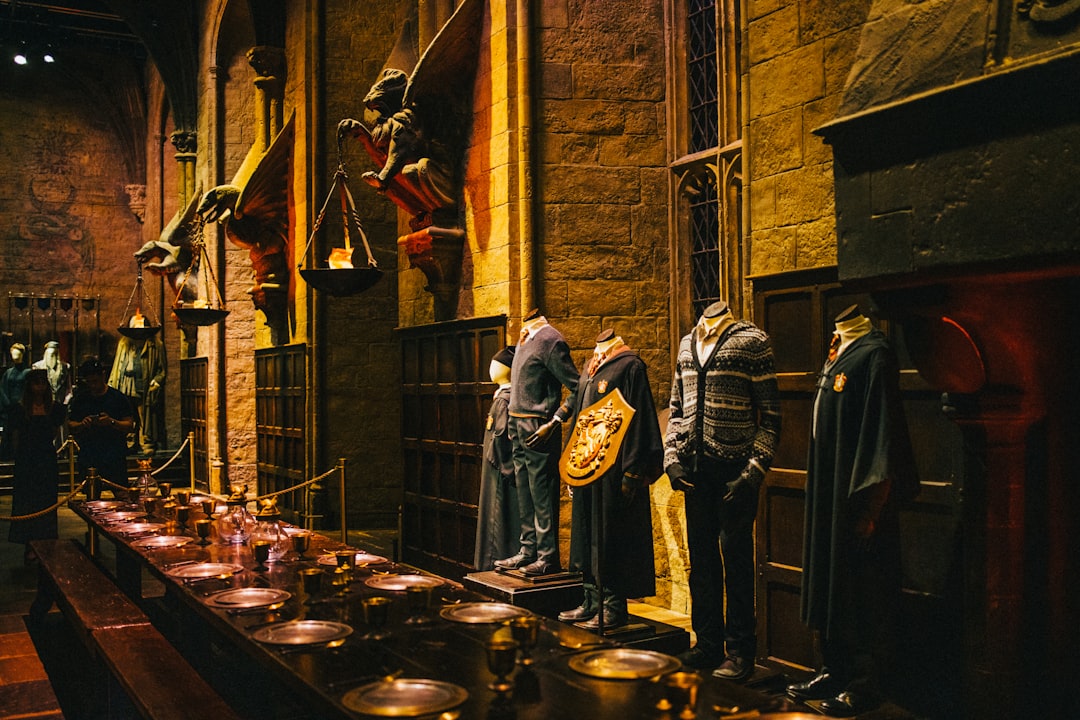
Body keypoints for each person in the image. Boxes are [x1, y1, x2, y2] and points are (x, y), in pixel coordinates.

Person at [786, 305, 919, 717]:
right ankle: (834, 669)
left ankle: (866, 682)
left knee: (863, 589)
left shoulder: (874, 354)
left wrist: (870, 506)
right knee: (832, 582)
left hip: (855, 493)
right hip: (828, 490)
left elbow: (881, 432)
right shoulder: (838, 351)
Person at [664, 300, 781, 681]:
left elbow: (771, 418)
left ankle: (741, 651)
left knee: (737, 561)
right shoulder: (686, 344)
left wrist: (753, 472)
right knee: (701, 562)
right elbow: (676, 408)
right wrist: (671, 459)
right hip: (694, 471)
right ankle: (707, 643)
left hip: (734, 473)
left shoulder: (752, 342)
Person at [558, 330, 664, 630]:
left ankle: (613, 605)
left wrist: (633, 471)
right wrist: (571, 464)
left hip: (614, 468)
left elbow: (639, 418)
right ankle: (591, 599)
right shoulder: (591, 365)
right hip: (587, 466)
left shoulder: (630, 366)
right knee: (586, 536)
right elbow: (580, 419)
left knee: (612, 536)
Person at [494, 310, 579, 576]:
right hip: (518, 424)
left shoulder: (550, 340)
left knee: (542, 492)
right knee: (525, 491)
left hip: (537, 425)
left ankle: (547, 556)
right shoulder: (526, 338)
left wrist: (555, 420)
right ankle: (528, 549)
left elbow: (578, 386)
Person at [7, 369, 67, 564]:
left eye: (43, 383)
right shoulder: (20, 409)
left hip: (45, 459)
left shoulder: (53, 409)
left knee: (46, 501)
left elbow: (53, 432)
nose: (40, 387)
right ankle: (29, 543)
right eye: (36, 383)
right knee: (28, 501)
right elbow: (15, 437)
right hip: (27, 459)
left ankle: (46, 541)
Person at [474, 345, 518, 571]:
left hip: (499, 470)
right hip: (496, 467)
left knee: (498, 519)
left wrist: (506, 469)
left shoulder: (504, 400)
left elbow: (502, 437)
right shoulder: (503, 397)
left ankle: (492, 563)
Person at [68, 358, 135, 499]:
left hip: (114, 454)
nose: (93, 385)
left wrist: (111, 422)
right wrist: (83, 424)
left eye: (95, 381)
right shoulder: (81, 399)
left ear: (103, 376)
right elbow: (71, 425)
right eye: (90, 382)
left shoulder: (117, 398)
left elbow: (129, 425)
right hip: (90, 454)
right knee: (92, 498)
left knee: (121, 495)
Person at [108, 335, 165, 454]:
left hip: (143, 385)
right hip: (125, 383)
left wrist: (157, 381)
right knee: (127, 414)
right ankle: (130, 442)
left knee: (144, 415)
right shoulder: (124, 343)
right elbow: (117, 364)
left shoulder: (155, 344)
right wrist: (112, 382)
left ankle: (146, 442)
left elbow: (162, 368)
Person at [1, 342, 31, 460]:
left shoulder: (27, 372)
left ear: (22, 355)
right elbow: (3, 389)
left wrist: (24, 403)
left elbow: (28, 389)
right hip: (10, 408)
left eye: (17, 354)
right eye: (13, 354)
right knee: (9, 431)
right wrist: (7, 404)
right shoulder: (8, 373)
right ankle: (8, 454)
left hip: (23, 407)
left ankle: (20, 454)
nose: (15, 357)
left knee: (22, 432)